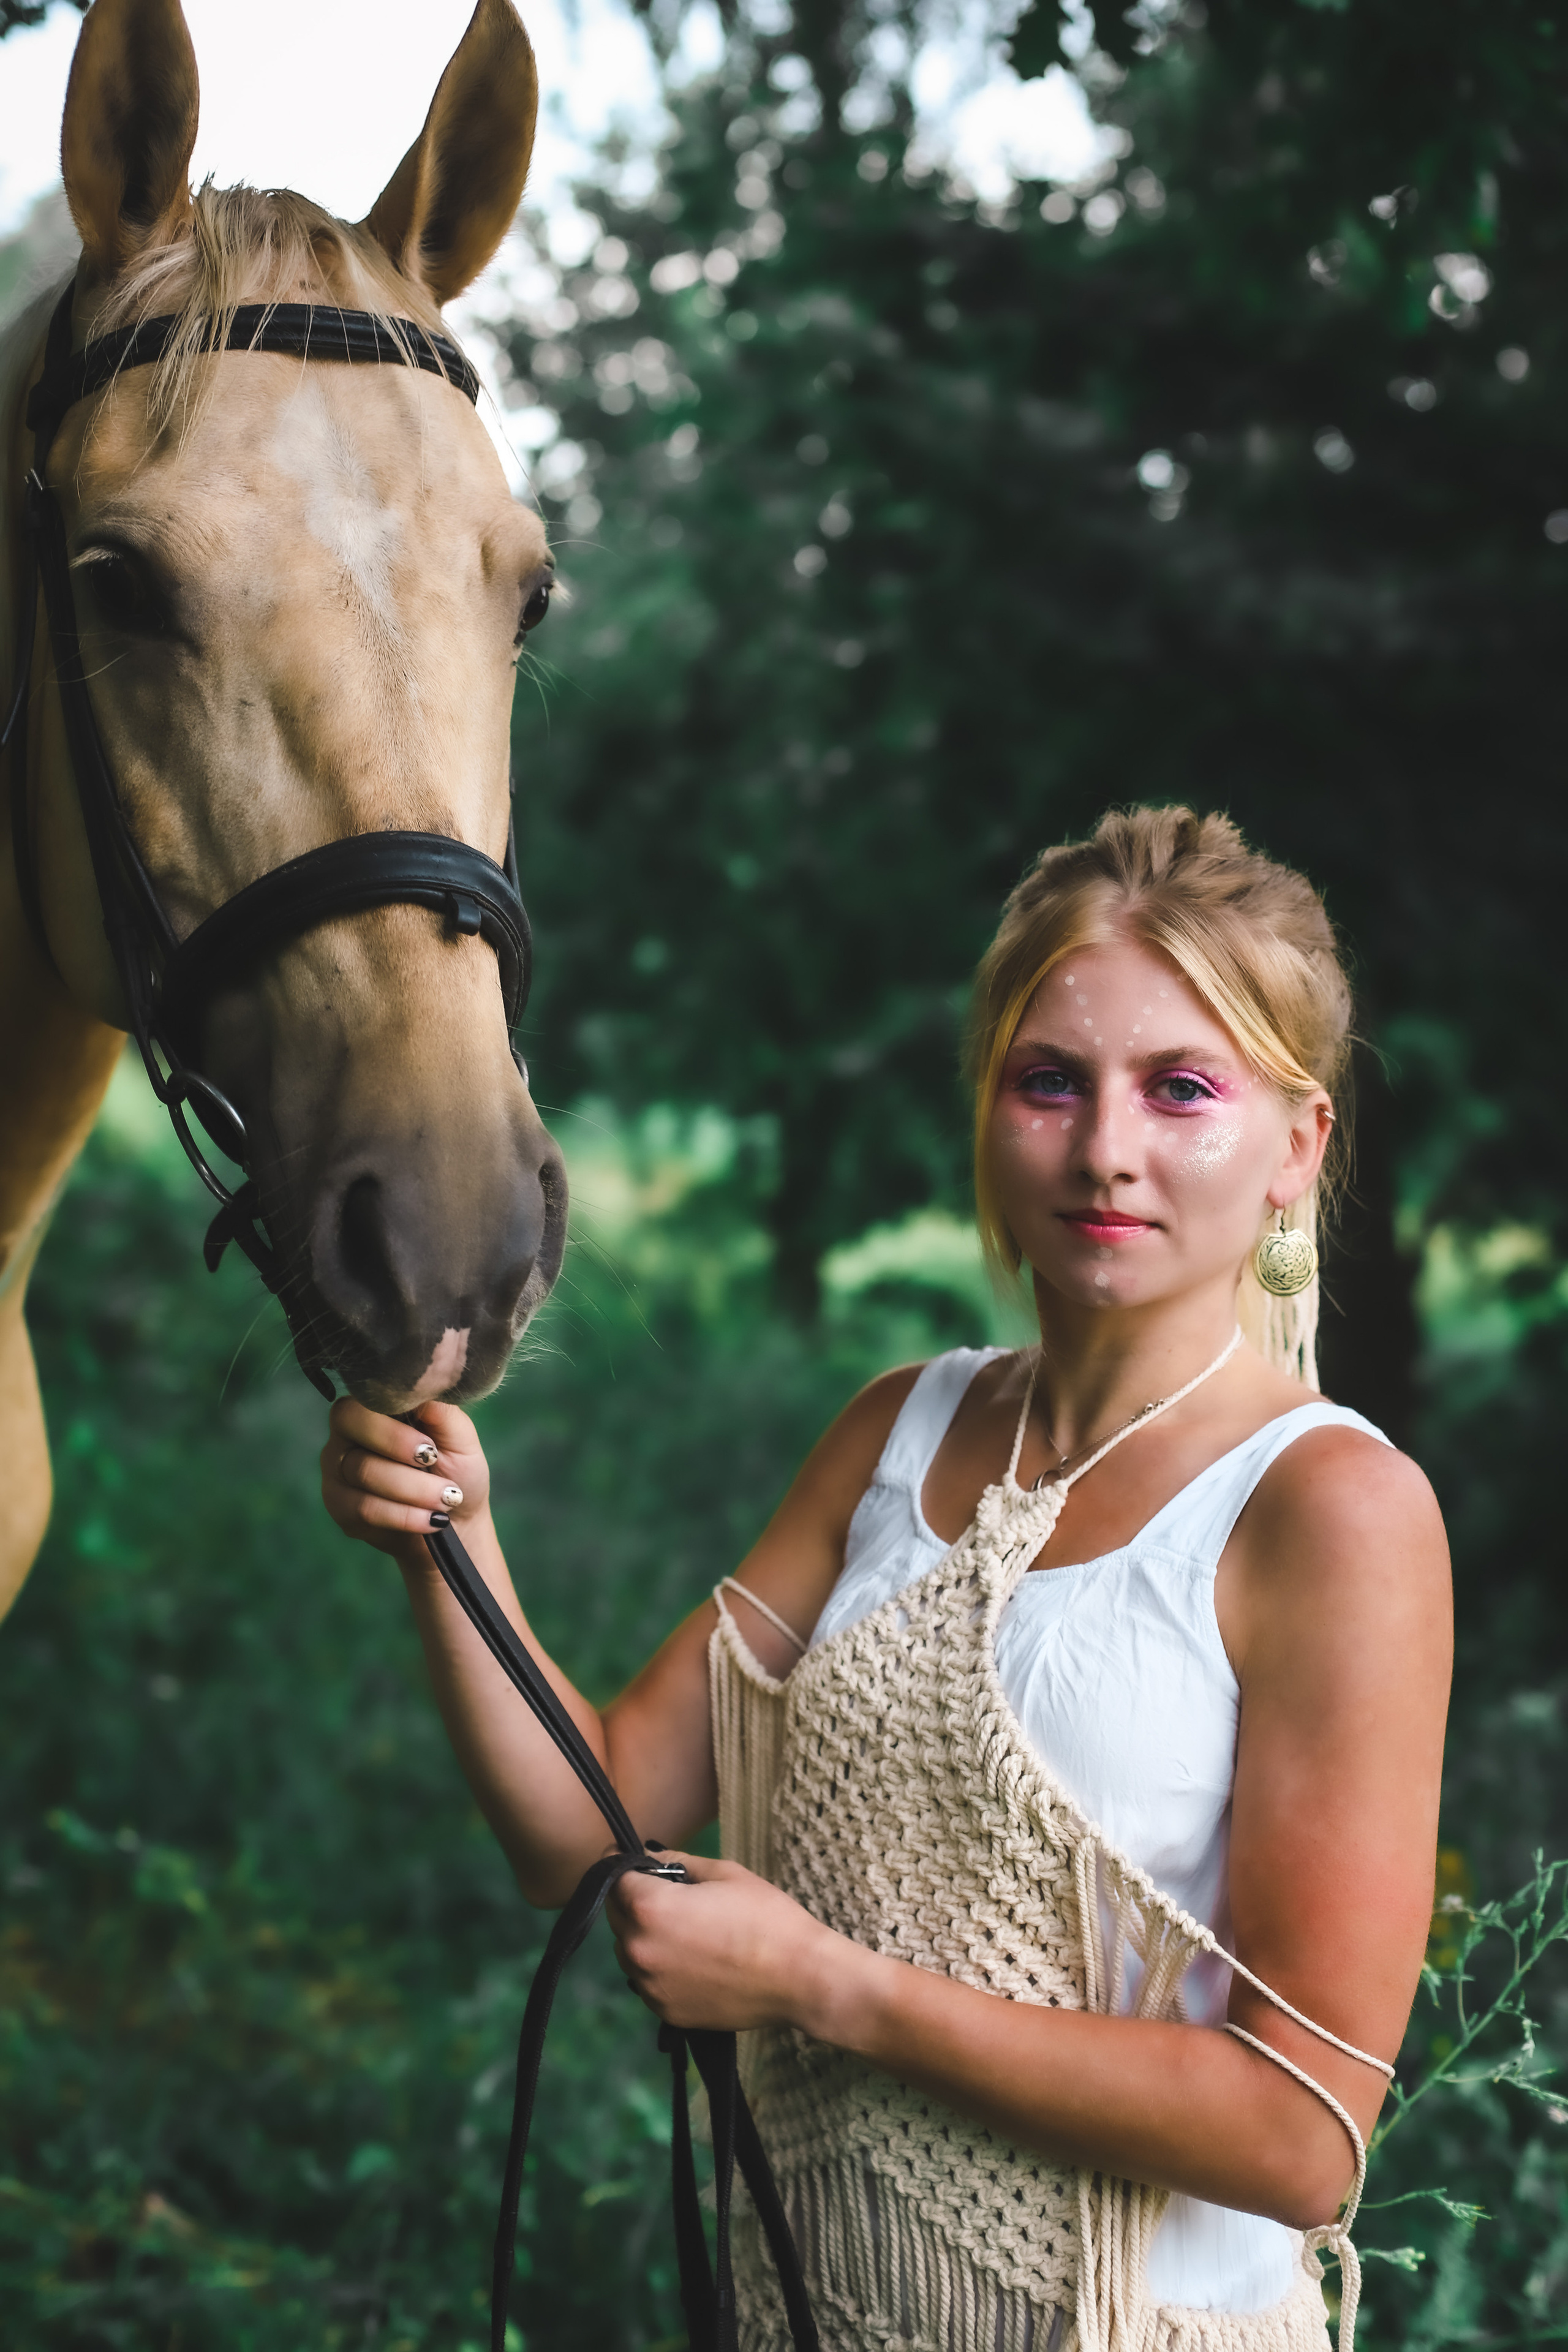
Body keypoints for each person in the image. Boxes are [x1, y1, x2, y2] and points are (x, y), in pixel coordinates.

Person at [323, 805, 1451, 2352]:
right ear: (987, 1106)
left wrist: (824, 1987)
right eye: (1049, 1080)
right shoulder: (895, 1427)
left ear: (1295, 1146)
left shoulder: (1326, 1511)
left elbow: (1300, 2135)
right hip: (810, 2307)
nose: (1104, 1146)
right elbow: (582, 1826)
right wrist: (447, 1543)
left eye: (1180, 1090)